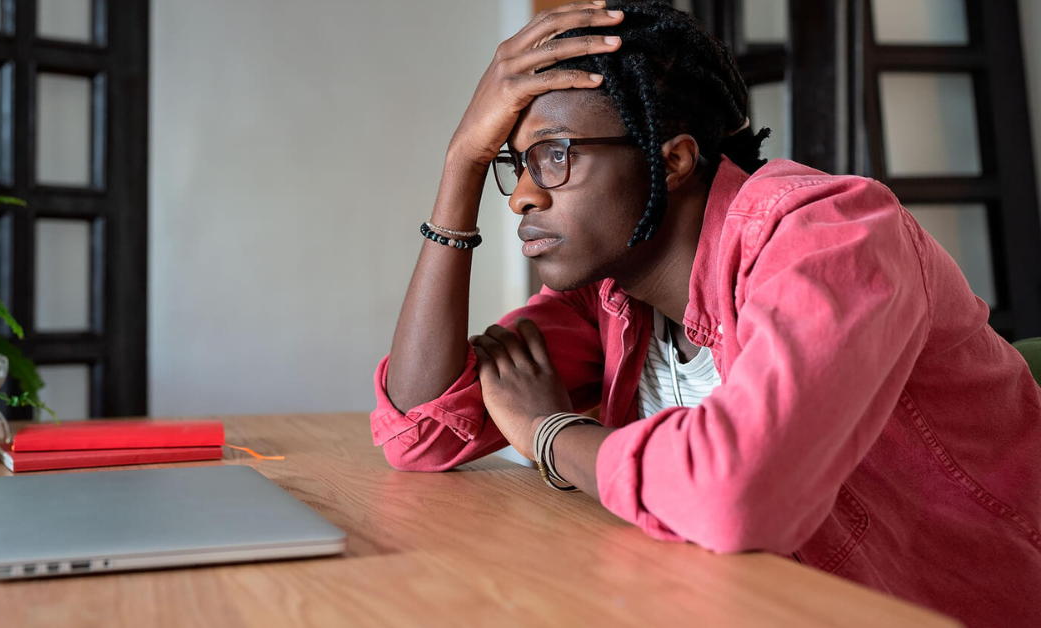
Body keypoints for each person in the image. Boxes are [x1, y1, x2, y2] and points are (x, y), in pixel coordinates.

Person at [370, 1, 1041, 625]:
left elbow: (736, 495)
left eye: (553, 157)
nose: (519, 196)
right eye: (512, 163)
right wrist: (462, 161)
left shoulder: (833, 235)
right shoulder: (609, 296)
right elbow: (417, 432)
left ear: (676, 160)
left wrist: (550, 435)